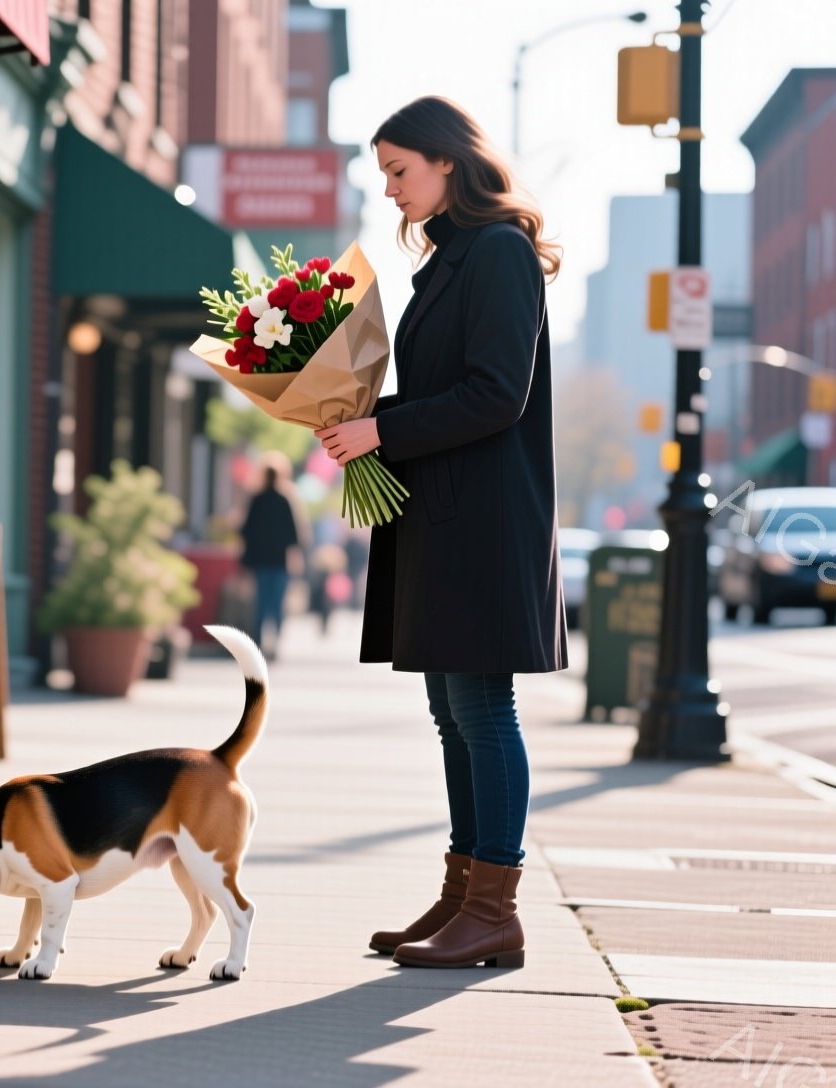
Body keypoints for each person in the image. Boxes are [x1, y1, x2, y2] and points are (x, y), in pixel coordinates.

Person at [315, 96, 565, 971]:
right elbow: (444, 391)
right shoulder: (453, 261)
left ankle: (495, 906)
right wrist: (355, 415)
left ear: (448, 162)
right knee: (450, 713)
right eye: (382, 175)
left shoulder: (497, 253)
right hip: (443, 516)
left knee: (482, 710)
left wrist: (380, 431)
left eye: (399, 171)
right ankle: (465, 897)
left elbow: (500, 393)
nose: (389, 192)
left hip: (484, 522)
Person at [237, 454, 304, 658]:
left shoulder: (256, 500)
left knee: (261, 602)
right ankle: (274, 642)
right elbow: (294, 534)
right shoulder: (285, 500)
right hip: (279, 560)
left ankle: (258, 641)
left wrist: (245, 560)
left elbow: (246, 531)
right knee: (276, 603)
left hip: (260, 560)